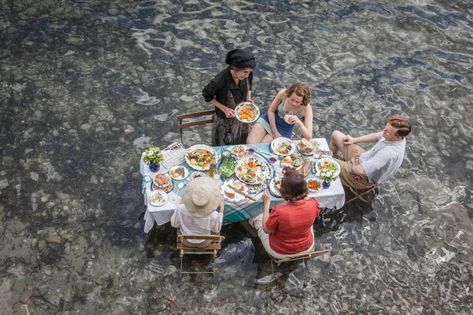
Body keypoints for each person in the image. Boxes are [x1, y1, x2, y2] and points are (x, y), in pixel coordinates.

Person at [248, 168, 321, 259]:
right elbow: (314, 214)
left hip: (280, 250)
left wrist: (267, 204)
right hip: (306, 246)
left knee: (256, 216)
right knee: (307, 222)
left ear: (283, 192)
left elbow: (267, 230)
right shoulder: (314, 203)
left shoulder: (279, 211)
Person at [329, 114, 412, 190]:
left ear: (398, 137)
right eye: (385, 127)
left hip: (363, 178)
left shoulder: (389, 153)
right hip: (363, 159)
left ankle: (332, 166)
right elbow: (377, 136)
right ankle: (333, 159)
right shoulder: (394, 136)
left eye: (388, 131)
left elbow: (360, 171)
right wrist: (354, 140)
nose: (384, 131)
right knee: (336, 135)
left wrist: (352, 167)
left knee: (320, 159)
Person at [202, 48, 256, 145]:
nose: (248, 75)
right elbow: (206, 95)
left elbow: (249, 84)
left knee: (241, 144)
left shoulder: (247, 74)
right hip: (225, 122)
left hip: (242, 118)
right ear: (235, 68)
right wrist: (224, 109)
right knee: (225, 146)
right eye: (245, 72)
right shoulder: (219, 80)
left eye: (249, 72)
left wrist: (249, 97)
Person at [247, 83, 313, 144]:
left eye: (297, 102)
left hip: (284, 129)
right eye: (292, 99)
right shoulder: (283, 93)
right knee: (250, 143)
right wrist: (274, 131)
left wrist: (299, 123)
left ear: (303, 101)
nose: (294, 103)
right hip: (269, 119)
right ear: (289, 94)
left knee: (263, 147)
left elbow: (309, 136)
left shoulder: (306, 108)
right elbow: (271, 111)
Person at [170, 177, 224, 248]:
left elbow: (174, 224)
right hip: (204, 242)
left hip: (185, 240)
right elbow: (216, 230)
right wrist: (222, 209)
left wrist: (182, 202)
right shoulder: (214, 215)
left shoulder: (181, 209)